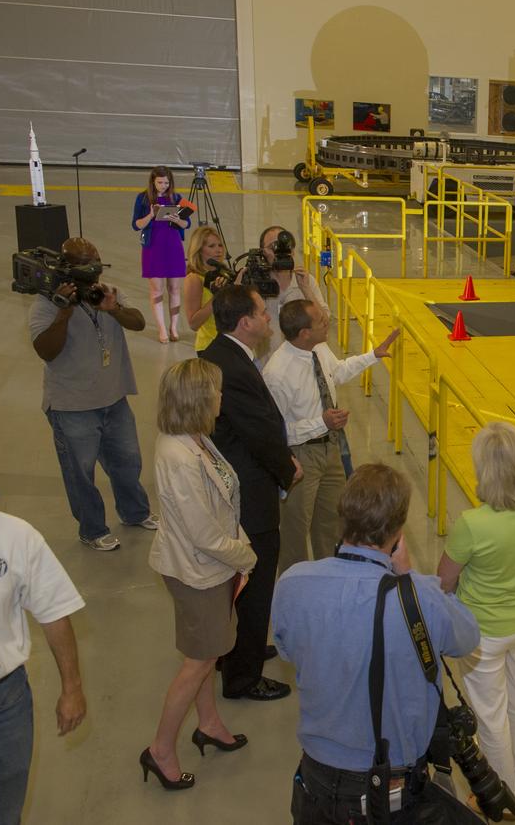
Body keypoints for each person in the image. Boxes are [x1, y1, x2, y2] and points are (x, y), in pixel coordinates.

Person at [273, 464, 480, 824]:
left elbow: (290, 651)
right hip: (391, 791)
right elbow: (467, 638)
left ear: (343, 518)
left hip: (316, 782)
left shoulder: (293, 584)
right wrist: (408, 574)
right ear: (398, 534)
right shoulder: (421, 598)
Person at [141, 359, 258, 792]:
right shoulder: (177, 454)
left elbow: (221, 506)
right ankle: (160, 750)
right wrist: (245, 556)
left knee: (207, 653)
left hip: (212, 565)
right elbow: (203, 532)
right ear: (197, 399)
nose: (221, 397)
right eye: (216, 391)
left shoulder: (196, 437)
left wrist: (237, 545)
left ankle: (207, 723)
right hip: (199, 572)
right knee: (198, 662)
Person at [438, 422, 515, 812]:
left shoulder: (473, 525)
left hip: (483, 633)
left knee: (489, 715)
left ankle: (503, 799)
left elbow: (443, 581)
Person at [200, 285, 302, 701]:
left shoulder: (217, 356)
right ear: (244, 322)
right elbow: (260, 432)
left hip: (231, 485)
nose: (267, 318)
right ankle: (244, 675)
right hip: (250, 493)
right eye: (262, 313)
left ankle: (239, 648)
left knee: (238, 581)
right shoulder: (236, 370)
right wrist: (286, 469)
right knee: (256, 582)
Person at [28, 237, 157, 552]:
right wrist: (63, 314)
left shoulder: (107, 291)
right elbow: (45, 350)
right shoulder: (46, 302)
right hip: (72, 406)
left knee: (128, 462)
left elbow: (138, 322)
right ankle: (92, 529)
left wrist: (113, 310)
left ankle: (135, 512)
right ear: (68, 268)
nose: (93, 268)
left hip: (114, 399)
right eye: (85, 262)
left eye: (96, 260)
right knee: (80, 474)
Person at [264, 300, 399, 573]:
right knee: (296, 529)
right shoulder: (277, 374)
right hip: (301, 457)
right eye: (320, 321)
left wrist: (373, 355)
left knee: (331, 522)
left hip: (331, 449)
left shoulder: (318, 349)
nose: (328, 321)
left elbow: (336, 372)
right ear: (304, 333)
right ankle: (296, 585)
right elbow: (277, 431)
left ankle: (330, 575)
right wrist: (320, 422)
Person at [0, 510, 87, 825]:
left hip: (4, 700)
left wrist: (72, 688)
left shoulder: (15, 536)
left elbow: (54, 611)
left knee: (6, 805)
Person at [132, 166, 190, 343]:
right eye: (160, 182)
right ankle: (162, 329)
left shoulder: (178, 198)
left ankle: (173, 327)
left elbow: (186, 224)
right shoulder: (142, 198)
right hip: (153, 247)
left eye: (166, 182)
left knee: (174, 288)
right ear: (153, 181)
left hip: (173, 246)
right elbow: (136, 225)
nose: (163, 186)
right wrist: (150, 215)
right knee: (156, 289)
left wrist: (177, 219)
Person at [257, 225, 328, 363]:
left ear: (293, 251)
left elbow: (324, 322)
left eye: (285, 246)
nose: (280, 252)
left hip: (304, 363)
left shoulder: (306, 280)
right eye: (273, 247)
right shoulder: (257, 283)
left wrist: (306, 289)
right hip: (267, 363)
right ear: (262, 253)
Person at [182, 226, 232, 354]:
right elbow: (193, 323)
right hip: (210, 346)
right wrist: (217, 297)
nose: (218, 250)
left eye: (220, 245)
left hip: (231, 343)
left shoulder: (224, 275)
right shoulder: (194, 279)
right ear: (199, 250)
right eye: (211, 246)